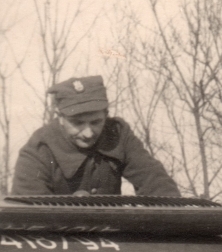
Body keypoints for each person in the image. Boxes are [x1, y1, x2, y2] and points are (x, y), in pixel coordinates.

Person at [12, 75, 180, 197]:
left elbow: (156, 182)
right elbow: (29, 215)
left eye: (96, 122)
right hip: (55, 241)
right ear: (60, 117)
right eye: (77, 123)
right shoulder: (38, 149)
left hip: (113, 239)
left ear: (106, 114)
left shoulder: (117, 133)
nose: (88, 133)